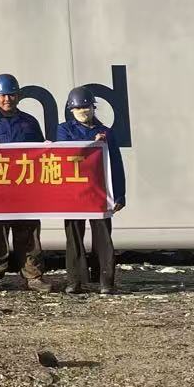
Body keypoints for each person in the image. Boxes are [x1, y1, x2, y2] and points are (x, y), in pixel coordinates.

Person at [0, 72, 51, 292]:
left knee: (29, 232)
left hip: (25, 189)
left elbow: (41, 154)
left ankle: (33, 275)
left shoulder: (30, 123)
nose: (7, 99)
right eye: (3, 95)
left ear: (18, 96)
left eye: (11, 95)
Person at [54, 86, 126, 295]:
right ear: (71, 110)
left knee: (103, 237)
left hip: (99, 192)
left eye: (86, 107)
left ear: (93, 108)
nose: (83, 111)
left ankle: (106, 281)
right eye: (78, 108)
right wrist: (91, 145)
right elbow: (65, 151)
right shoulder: (64, 130)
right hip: (73, 192)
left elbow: (116, 164)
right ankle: (75, 281)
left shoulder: (106, 132)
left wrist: (120, 194)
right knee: (74, 237)